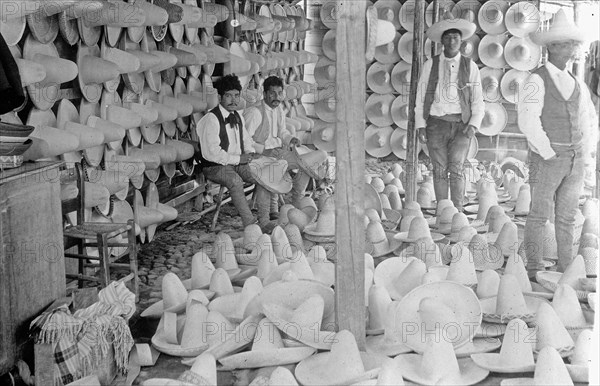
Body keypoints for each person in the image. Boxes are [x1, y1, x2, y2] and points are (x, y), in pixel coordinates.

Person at [519, 9, 598, 275]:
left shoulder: (578, 83)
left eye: (570, 43)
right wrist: (548, 153)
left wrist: (585, 155)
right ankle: (532, 268)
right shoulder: (535, 80)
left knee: (566, 218)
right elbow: (528, 121)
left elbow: (588, 120)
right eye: (562, 43)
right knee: (538, 215)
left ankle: (566, 270)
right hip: (548, 159)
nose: (569, 48)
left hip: (574, 161)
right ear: (550, 47)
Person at [414, 13, 484, 211]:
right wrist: (421, 125)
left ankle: (458, 214)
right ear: (442, 40)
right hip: (436, 124)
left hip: (462, 125)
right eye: (448, 37)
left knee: (458, 169)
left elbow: (478, 98)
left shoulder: (470, 66)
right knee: (439, 170)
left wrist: (474, 124)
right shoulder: (430, 65)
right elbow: (421, 96)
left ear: (461, 40)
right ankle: (443, 213)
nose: (452, 40)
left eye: (456, 37)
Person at [195, 74, 274, 231]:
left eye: (236, 95)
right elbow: (212, 153)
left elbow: (246, 140)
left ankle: (264, 222)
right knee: (235, 181)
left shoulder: (237, 116)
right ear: (219, 97)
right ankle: (250, 224)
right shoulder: (211, 119)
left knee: (264, 176)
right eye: (228, 96)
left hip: (237, 162)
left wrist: (251, 154)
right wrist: (239, 159)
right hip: (214, 166)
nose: (233, 100)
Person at [244, 76, 323, 216]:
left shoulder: (278, 109)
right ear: (265, 93)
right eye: (272, 93)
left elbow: (282, 132)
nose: (277, 97)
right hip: (259, 158)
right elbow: (244, 141)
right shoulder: (255, 112)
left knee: (308, 163)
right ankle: (273, 209)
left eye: (279, 93)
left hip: (279, 152)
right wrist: (264, 150)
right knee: (277, 166)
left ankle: (295, 202)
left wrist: (291, 139)